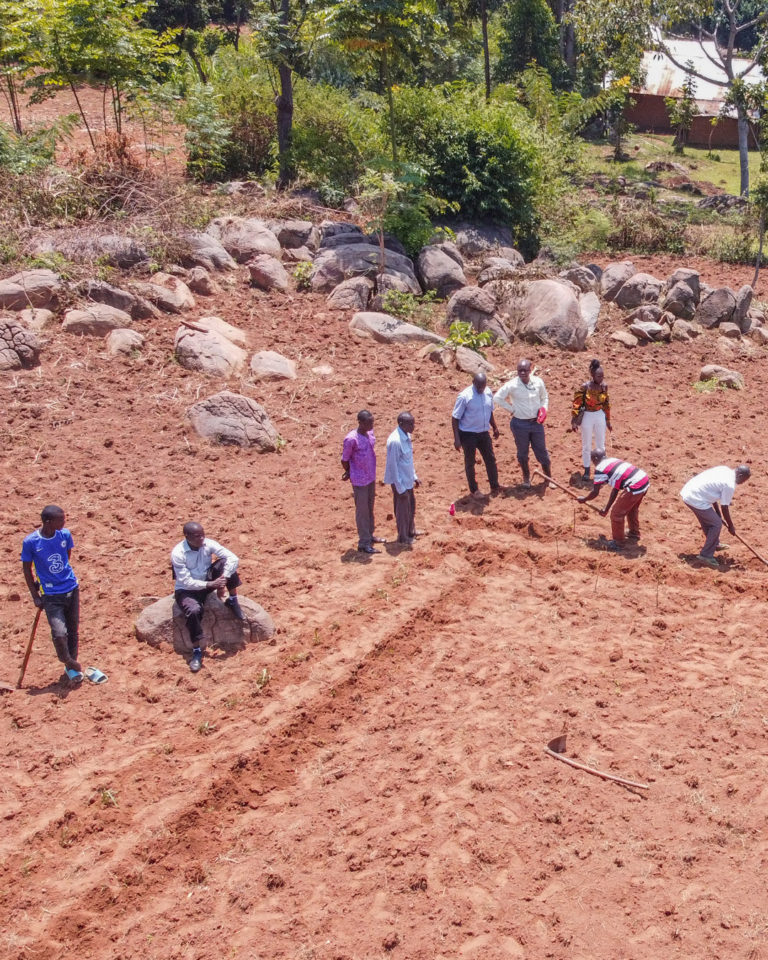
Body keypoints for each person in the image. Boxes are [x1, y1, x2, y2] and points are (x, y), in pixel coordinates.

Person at [21, 505, 83, 683]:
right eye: (60, 519)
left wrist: (60, 575)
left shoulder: (64, 535)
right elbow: (27, 569)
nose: (64, 522)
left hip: (71, 588)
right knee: (59, 633)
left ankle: (71, 668)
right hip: (50, 595)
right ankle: (69, 661)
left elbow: (66, 556)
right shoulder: (31, 542)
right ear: (48, 522)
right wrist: (35, 595)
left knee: (72, 631)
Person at [171, 522, 245, 672]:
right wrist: (211, 584)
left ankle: (233, 600)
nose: (202, 538)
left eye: (203, 534)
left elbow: (233, 558)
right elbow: (186, 581)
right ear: (187, 537)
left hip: (208, 580)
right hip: (188, 589)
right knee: (193, 611)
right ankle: (197, 651)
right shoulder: (178, 553)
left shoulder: (208, 544)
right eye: (198, 536)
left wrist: (223, 578)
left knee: (225, 563)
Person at [493, 358, 552, 488]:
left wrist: (544, 409)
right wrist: (511, 409)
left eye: (525, 370)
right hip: (520, 424)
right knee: (522, 453)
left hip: (536, 423)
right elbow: (497, 397)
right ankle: (526, 478)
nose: (523, 373)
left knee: (541, 451)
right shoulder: (512, 385)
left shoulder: (538, 382)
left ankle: (548, 478)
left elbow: (544, 397)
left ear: (530, 370)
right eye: (520, 371)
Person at [680, 464, 751, 568]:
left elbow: (712, 492)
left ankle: (714, 544)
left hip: (690, 491)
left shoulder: (724, 469)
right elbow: (725, 507)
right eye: (744, 480)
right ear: (740, 475)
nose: (743, 482)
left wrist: (717, 513)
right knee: (716, 523)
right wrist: (731, 526)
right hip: (695, 498)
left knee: (711, 520)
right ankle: (706, 555)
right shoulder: (729, 485)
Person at [578, 449, 649, 551]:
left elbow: (595, 492)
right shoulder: (612, 461)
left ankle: (618, 543)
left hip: (635, 485)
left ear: (596, 459)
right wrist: (606, 508)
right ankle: (634, 534)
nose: (592, 462)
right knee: (631, 508)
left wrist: (584, 499)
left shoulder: (600, 468)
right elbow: (616, 488)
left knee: (616, 514)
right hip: (643, 480)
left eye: (592, 460)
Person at [451, 372, 501, 497]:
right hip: (468, 434)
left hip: (483, 432)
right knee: (470, 462)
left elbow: (490, 411)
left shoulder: (488, 392)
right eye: (478, 386)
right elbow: (455, 418)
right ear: (473, 383)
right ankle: (474, 490)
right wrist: (457, 439)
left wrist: (494, 427)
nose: (481, 389)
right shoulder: (464, 396)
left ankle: (495, 485)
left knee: (490, 459)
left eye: (483, 386)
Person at [341, 409, 384, 555]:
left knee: (370, 507)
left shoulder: (369, 433)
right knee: (362, 511)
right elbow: (344, 459)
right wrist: (349, 471)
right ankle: (363, 543)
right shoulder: (351, 439)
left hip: (370, 476)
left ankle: (369, 536)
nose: (372, 424)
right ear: (360, 422)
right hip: (359, 480)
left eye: (372, 421)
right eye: (369, 422)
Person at [383, 411, 421, 546]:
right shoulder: (395, 441)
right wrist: (400, 488)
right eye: (410, 423)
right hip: (400, 481)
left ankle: (411, 531)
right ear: (401, 424)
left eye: (413, 423)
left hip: (408, 479)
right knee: (402, 510)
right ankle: (403, 537)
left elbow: (407, 460)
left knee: (411, 506)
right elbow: (393, 466)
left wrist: (414, 476)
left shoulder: (406, 436)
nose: (413, 426)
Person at [571, 358, 612, 481]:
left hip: (599, 415)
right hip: (587, 416)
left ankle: (602, 469)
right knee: (586, 444)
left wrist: (608, 421)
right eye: (599, 376)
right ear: (592, 375)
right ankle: (587, 469)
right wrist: (574, 420)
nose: (601, 379)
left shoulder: (604, 387)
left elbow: (606, 404)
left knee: (601, 444)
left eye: (602, 376)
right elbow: (577, 403)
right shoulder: (585, 387)